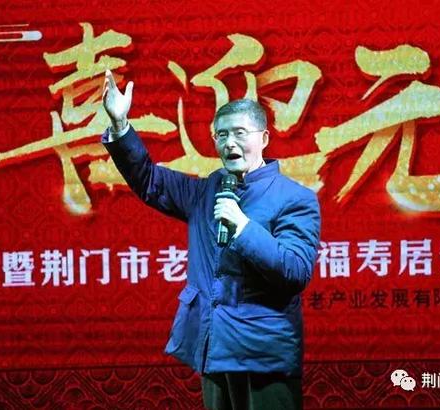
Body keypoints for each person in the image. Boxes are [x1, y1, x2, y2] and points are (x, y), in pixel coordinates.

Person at [101, 70, 321, 410]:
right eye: (222, 135)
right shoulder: (206, 192)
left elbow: (295, 271)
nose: (229, 143)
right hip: (213, 346)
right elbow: (148, 180)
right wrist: (120, 126)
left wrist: (243, 227)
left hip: (263, 354)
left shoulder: (295, 198)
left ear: (264, 138)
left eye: (239, 133)